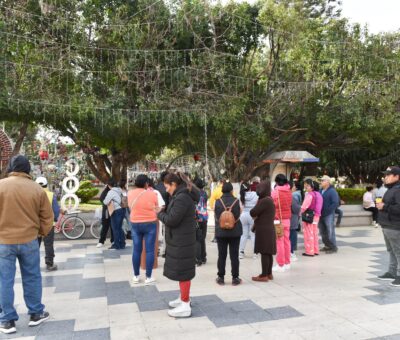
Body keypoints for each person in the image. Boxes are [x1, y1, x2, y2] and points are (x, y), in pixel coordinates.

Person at [0, 155, 54, 334]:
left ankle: (7, 320)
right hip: (29, 239)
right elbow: (47, 217)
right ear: (28, 169)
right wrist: (41, 233)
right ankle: (36, 313)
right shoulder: (37, 189)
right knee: (32, 276)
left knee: (4, 280)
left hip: (3, 241)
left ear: (10, 168)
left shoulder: (0, 186)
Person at [157, 173, 198, 318]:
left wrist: (159, 213)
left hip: (182, 241)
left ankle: (185, 304)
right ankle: (183, 298)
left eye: (167, 186)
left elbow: (172, 219)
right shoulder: (180, 195)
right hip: (181, 240)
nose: (166, 189)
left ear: (174, 184)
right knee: (183, 272)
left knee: (183, 272)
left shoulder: (182, 198)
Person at [128, 175, 159, 284]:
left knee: (136, 250)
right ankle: (148, 277)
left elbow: (129, 206)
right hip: (150, 223)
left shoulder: (130, 193)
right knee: (150, 250)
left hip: (135, 223)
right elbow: (156, 207)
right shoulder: (152, 194)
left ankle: (136, 276)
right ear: (146, 183)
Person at [214, 181, 243, 286]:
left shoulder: (217, 202)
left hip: (221, 232)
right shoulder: (237, 201)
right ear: (232, 190)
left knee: (222, 255)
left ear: (222, 190)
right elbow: (239, 214)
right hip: (235, 232)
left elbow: (217, 217)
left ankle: (220, 277)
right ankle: (235, 278)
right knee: (234, 255)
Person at [376, 166, 400, 287]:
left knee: (398, 251)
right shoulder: (391, 189)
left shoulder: (398, 190)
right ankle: (392, 272)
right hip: (387, 225)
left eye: (388, 175)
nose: (385, 177)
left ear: (397, 176)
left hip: (395, 226)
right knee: (391, 251)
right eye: (385, 175)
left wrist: (384, 207)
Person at [250, 180, 276, 282]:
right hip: (268, 229)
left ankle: (264, 275)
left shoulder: (264, 201)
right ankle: (269, 273)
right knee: (268, 252)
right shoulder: (269, 199)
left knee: (264, 252)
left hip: (264, 230)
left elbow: (253, 212)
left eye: (259, 189)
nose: (258, 191)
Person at [35, 176, 60, 271]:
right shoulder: (50, 195)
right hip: (49, 224)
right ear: (46, 184)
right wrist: (55, 220)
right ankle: (49, 264)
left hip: (35, 225)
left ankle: (33, 265)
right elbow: (56, 210)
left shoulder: (32, 194)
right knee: (48, 244)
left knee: (35, 246)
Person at [271, 174, 292, 272]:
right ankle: (287, 262)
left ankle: (280, 264)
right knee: (287, 241)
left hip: (278, 220)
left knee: (279, 242)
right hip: (287, 219)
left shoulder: (275, 192)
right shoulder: (289, 191)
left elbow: (272, 205)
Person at [301, 179, 323, 257]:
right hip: (317, 216)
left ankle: (309, 251)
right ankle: (316, 250)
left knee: (308, 234)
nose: (306, 187)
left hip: (309, 216)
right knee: (314, 233)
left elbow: (304, 206)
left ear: (312, 187)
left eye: (308, 185)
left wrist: (300, 212)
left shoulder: (310, 195)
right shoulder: (319, 194)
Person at [319, 175, 340, 254]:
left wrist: (328, 211)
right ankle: (327, 245)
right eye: (321, 180)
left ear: (328, 182)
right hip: (320, 214)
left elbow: (335, 203)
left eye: (323, 180)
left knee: (330, 231)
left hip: (328, 215)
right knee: (322, 231)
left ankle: (333, 247)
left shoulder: (332, 191)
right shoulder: (320, 190)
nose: (321, 182)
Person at [103, 179, 126, 250]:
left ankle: (116, 245)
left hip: (116, 211)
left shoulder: (111, 192)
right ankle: (122, 243)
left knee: (115, 228)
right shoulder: (120, 190)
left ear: (109, 185)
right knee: (119, 227)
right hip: (122, 209)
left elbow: (105, 202)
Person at [239, 182, 258, 259]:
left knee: (243, 235)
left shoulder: (240, 196)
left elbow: (240, 207)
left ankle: (241, 252)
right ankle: (255, 253)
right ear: (250, 188)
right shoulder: (255, 194)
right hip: (252, 216)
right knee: (253, 235)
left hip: (243, 216)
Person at [194, 178, 208, 266]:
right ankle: (203, 257)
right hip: (205, 217)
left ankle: (198, 259)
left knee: (197, 240)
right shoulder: (205, 193)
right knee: (202, 238)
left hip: (197, 218)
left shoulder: (194, 193)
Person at [97, 181, 114, 248]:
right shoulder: (105, 192)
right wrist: (108, 203)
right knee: (105, 227)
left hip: (113, 211)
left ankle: (113, 240)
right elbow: (101, 199)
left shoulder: (114, 191)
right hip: (106, 211)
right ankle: (101, 241)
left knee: (113, 227)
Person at [290, 181, 302, 261]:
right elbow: (296, 208)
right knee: (292, 235)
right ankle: (291, 252)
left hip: (283, 219)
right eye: (293, 186)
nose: (295, 187)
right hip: (292, 219)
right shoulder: (292, 197)